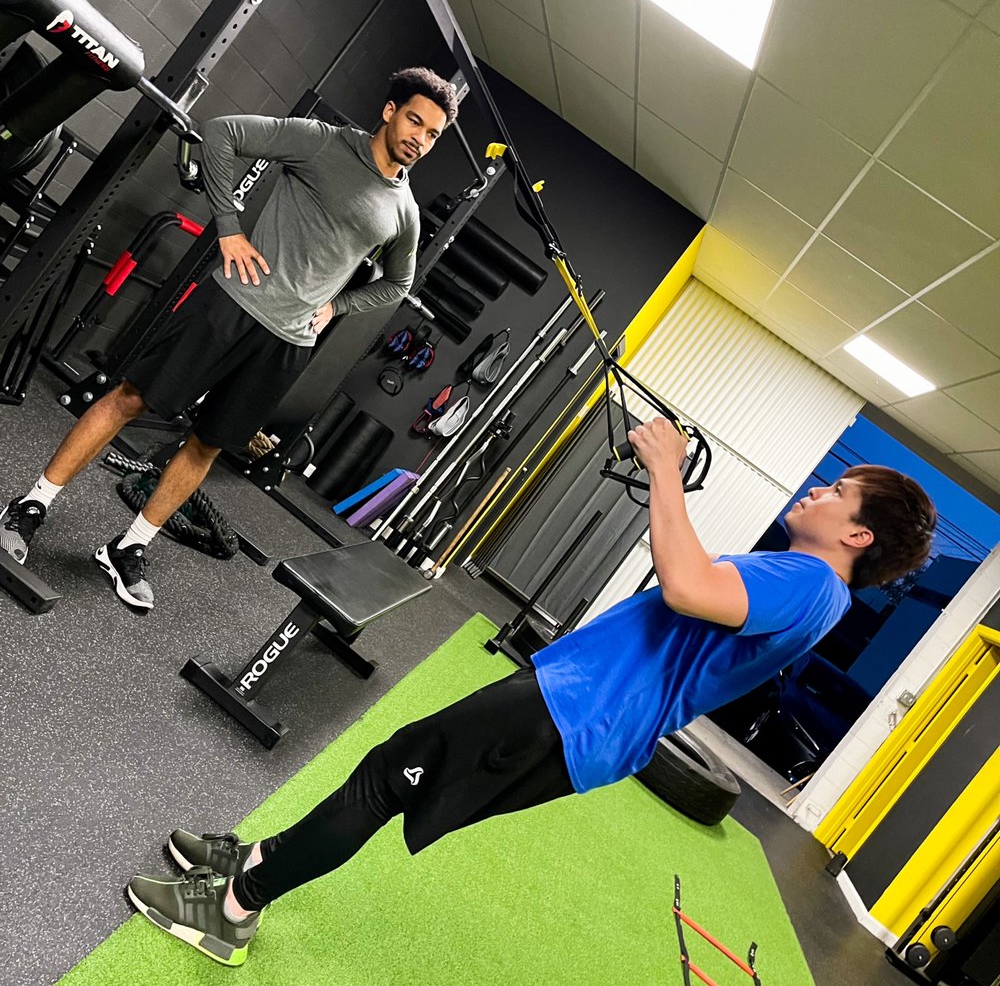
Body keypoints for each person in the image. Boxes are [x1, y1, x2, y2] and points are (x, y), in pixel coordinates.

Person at [125, 416, 937, 966]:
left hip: (577, 713)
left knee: (385, 781)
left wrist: (666, 471)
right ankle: (258, 857)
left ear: (857, 534)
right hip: (579, 705)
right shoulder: (817, 591)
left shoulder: (808, 583)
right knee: (392, 767)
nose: (819, 491)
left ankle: (233, 908)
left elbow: (688, 585)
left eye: (838, 493)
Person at [0, 67, 458, 610]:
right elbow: (222, 133)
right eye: (415, 121)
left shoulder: (405, 212)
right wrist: (229, 228)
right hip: (230, 306)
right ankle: (31, 505)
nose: (420, 138)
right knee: (131, 399)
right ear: (390, 111)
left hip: (288, 344)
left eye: (433, 134)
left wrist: (337, 306)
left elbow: (399, 282)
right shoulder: (321, 142)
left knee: (207, 444)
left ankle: (129, 546)